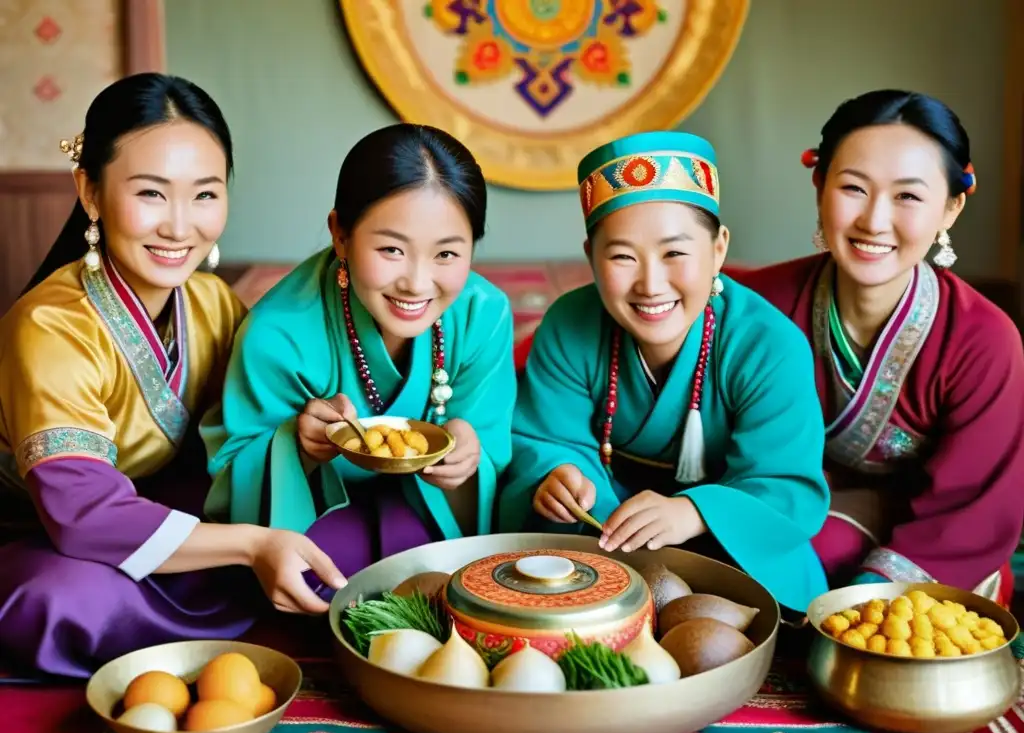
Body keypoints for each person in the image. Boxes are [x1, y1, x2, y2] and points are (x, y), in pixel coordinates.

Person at [0, 74, 348, 679]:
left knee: (347, 534)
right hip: (45, 534)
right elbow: (81, 514)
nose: (180, 227)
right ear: (90, 192)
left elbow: (243, 438)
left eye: (205, 195)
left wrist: (304, 433)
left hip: (152, 522)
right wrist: (249, 545)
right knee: (57, 601)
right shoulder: (50, 325)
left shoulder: (213, 304)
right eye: (152, 194)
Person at [497, 131, 830, 614]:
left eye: (675, 253)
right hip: (604, 531)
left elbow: (785, 483)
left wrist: (693, 511)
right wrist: (558, 476)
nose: (651, 284)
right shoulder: (570, 324)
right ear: (591, 255)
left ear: (718, 249)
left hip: (729, 544)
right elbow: (546, 439)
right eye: (622, 256)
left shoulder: (767, 344)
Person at [738, 90, 1024, 608]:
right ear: (819, 186)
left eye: (908, 197)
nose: (873, 221)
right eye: (853, 188)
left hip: (935, 543)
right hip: (796, 517)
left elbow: (974, 510)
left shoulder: (985, 340)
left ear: (951, 208)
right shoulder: (759, 306)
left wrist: (868, 600)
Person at [202, 124, 516, 594]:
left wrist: (470, 461)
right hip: (319, 519)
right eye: (391, 249)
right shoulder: (280, 332)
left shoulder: (482, 314)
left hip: (431, 510)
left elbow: (492, 479)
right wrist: (297, 447)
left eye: (447, 253)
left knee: (451, 582)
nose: (416, 282)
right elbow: (238, 485)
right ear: (341, 235)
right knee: (323, 586)